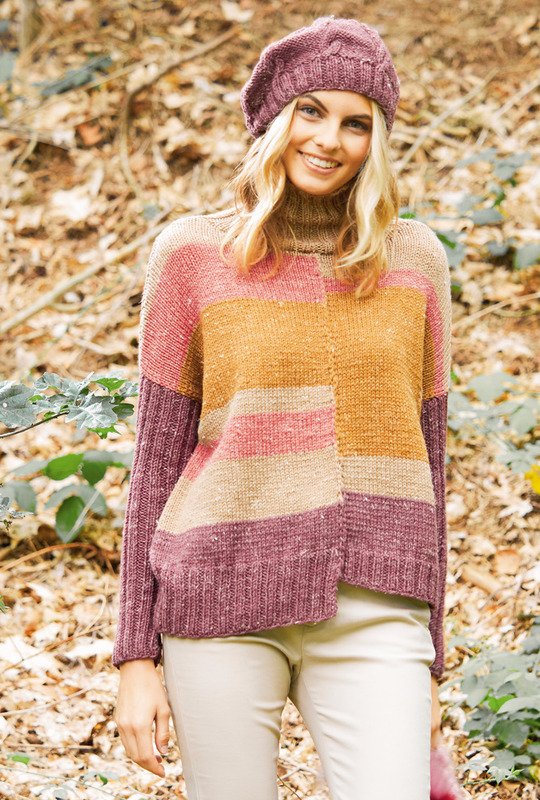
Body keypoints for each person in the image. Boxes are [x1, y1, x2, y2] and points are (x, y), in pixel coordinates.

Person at [112, 15, 452, 800]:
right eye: (312, 111)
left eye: (356, 123)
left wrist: (431, 657)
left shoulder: (415, 261)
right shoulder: (192, 257)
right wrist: (135, 657)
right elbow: (154, 466)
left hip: (376, 609)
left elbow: (431, 465)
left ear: (377, 141)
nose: (330, 139)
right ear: (274, 118)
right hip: (218, 599)